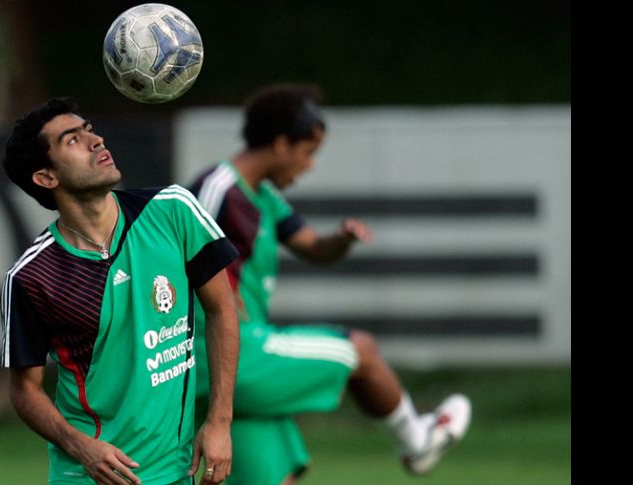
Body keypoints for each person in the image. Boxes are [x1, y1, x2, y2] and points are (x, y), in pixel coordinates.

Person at [188, 84, 472, 485]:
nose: (309, 165)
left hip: (239, 368)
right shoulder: (218, 189)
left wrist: (341, 240)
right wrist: (225, 303)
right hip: (225, 355)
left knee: (272, 475)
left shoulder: (262, 196)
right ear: (282, 144)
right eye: (308, 152)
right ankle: (417, 441)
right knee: (361, 350)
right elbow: (185, 262)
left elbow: (313, 248)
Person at [1, 97, 240, 485]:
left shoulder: (173, 209)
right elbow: (25, 391)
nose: (95, 141)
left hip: (175, 470)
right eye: (72, 139)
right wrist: (80, 446)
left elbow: (221, 309)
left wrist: (219, 421)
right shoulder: (32, 276)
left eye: (90, 130)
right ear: (46, 178)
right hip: (89, 475)